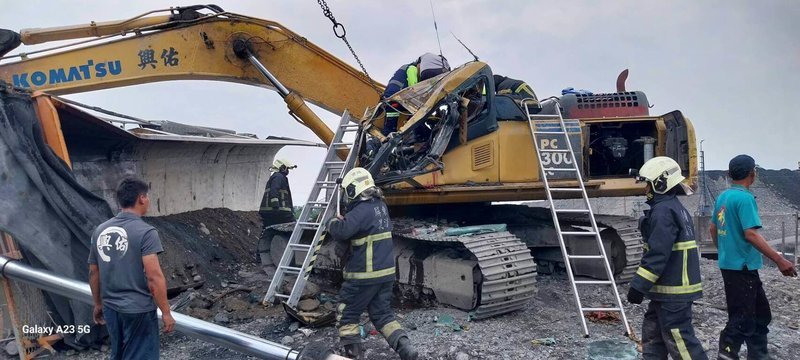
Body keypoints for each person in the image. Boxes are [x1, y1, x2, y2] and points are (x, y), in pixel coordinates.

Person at [711, 155, 797, 360]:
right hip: (742, 268)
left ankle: (759, 355)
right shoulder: (745, 198)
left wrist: (725, 251)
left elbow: (713, 229)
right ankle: (726, 354)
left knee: (760, 315)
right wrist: (779, 259)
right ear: (752, 173)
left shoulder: (724, 197)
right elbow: (751, 234)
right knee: (742, 318)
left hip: (734, 266)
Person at [327, 168, 418, 360]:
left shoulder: (360, 210)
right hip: (385, 275)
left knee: (347, 315)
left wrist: (332, 222)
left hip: (363, 276)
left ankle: (353, 356)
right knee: (383, 315)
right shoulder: (380, 206)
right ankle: (405, 347)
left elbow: (342, 231)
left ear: (353, 190)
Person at [627, 157, 707, 360]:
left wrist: (638, 286)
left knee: (680, 341)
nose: (645, 188)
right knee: (653, 338)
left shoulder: (663, 211)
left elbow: (657, 254)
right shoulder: (673, 207)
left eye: (647, 183)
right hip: (666, 293)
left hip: (674, 292)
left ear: (659, 183)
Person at [88, 177, 175, 360]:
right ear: (142, 198)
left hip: (111, 308)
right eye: (148, 197)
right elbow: (154, 278)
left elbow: (94, 272)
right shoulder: (146, 232)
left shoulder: (100, 231)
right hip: (138, 311)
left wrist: (97, 304)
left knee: (118, 354)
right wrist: (166, 312)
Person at [381, 53, 451, 135]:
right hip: (397, 98)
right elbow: (413, 85)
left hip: (394, 98)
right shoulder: (411, 68)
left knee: (394, 121)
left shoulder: (407, 69)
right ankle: (416, 135)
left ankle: (390, 135)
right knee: (410, 116)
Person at [259, 158, 296, 227]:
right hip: (280, 211)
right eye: (287, 169)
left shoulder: (276, 177)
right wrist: (276, 206)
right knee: (293, 227)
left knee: (270, 231)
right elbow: (274, 191)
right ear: (282, 167)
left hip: (270, 211)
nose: (288, 171)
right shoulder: (278, 177)